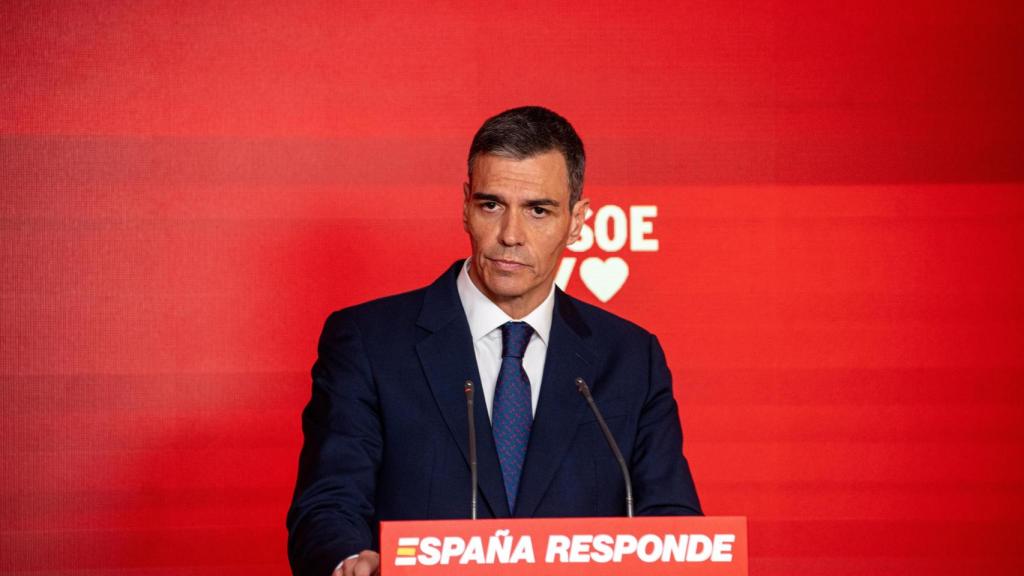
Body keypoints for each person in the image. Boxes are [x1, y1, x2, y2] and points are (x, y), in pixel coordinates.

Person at [286, 106, 702, 576]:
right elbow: (328, 505)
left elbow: (672, 524)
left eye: (538, 210)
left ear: (577, 220)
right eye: (492, 205)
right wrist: (348, 562)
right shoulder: (369, 341)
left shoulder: (631, 358)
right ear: (466, 205)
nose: (510, 235)